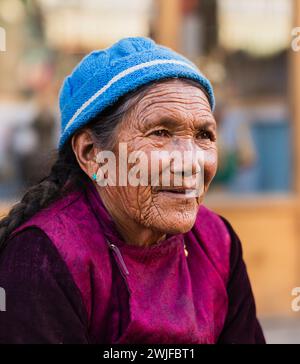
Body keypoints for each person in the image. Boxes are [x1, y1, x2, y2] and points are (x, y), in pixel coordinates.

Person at [0, 37, 265, 344]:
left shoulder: (216, 241)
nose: (191, 161)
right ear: (91, 153)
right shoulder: (44, 258)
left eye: (204, 135)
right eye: (161, 133)